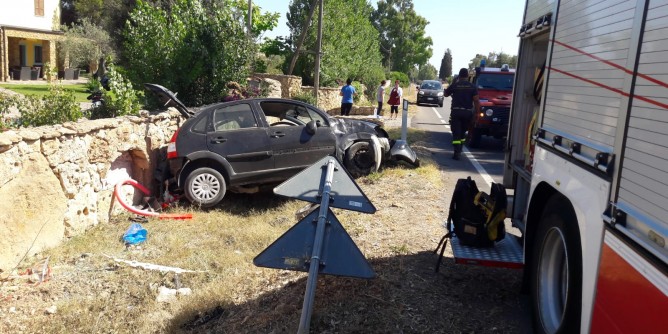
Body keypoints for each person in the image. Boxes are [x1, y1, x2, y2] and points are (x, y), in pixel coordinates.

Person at [444, 68, 480, 160]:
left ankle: (457, 153)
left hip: (456, 112)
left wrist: (449, 87)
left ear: (459, 76)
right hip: (468, 113)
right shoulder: (472, 87)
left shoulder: (455, 85)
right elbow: (476, 101)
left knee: (456, 133)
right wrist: (477, 113)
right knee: (463, 133)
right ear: (467, 76)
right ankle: (460, 149)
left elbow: (446, 94)